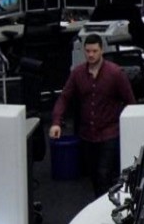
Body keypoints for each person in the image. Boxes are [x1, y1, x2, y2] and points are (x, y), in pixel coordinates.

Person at [50, 34, 136, 196]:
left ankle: (105, 210)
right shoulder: (78, 73)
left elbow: (130, 101)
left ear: (102, 50)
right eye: (88, 51)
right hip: (87, 135)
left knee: (103, 174)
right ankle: (102, 205)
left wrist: (129, 129)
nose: (91, 55)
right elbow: (64, 97)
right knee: (94, 176)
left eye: (94, 51)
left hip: (110, 132)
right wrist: (56, 121)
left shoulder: (115, 73)